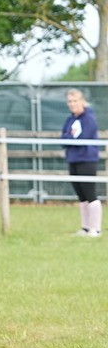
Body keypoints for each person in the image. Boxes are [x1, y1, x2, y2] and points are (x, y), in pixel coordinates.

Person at [62, 88, 101, 237]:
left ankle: (95, 228)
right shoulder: (70, 120)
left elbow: (83, 138)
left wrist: (71, 138)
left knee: (90, 193)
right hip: (73, 159)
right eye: (70, 101)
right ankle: (85, 227)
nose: (72, 104)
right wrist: (70, 138)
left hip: (86, 160)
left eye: (75, 101)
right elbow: (63, 139)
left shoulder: (89, 119)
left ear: (82, 101)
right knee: (81, 195)